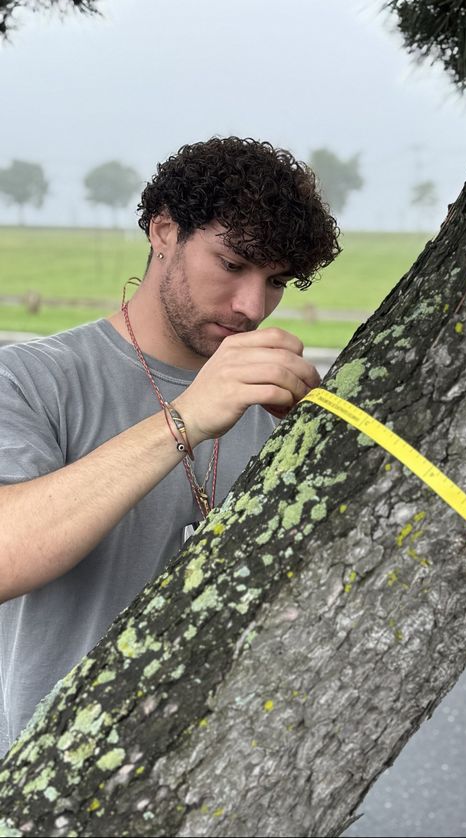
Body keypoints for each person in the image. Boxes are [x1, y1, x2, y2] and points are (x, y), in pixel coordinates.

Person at [0, 136, 340, 755]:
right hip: (49, 779)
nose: (251, 306)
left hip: (231, 774)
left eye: (277, 281)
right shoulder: (29, 380)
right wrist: (183, 419)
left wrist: (318, 452)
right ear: (164, 232)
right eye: (233, 265)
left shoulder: (277, 403)